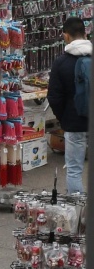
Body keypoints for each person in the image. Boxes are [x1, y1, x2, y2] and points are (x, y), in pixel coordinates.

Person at [47, 17, 90, 194]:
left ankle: (79, 215)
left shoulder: (61, 63)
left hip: (74, 123)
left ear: (66, 36)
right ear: (85, 33)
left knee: (74, 170)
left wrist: (63, 119)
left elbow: (54, 97)